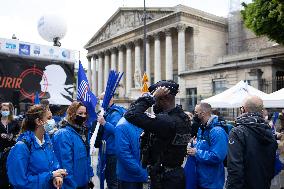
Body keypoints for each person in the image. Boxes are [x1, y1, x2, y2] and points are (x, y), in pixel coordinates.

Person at [124, 80, 192, 189]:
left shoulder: (166, 121)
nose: (154, 103)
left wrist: (152, 97)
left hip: (164, 180)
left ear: (163, 98)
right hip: (175, 175)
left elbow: (131, 114)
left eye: (156, 99)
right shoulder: (183, 118)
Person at [6, 104, 67, 189]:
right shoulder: (21, 147)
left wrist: (57, 176)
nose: (53, 121)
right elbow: (19, 182)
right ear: (38, 121)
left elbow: (54, 164)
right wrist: (50, 175)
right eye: (49, 118)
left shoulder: (47, 143)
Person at [226, 96, 278, 189]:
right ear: (261, 111)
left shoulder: (238, 132)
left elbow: (235, 169)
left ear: (243, 109)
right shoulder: (268, 130)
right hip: (264, 184)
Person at [52, 101, 94, 189]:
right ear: (72, 114)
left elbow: (86, 157)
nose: (83, 116)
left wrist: (89, 177)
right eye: (80, 113)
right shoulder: (63, 134)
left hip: (83, 182)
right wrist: (70, 185)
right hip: (72, 184)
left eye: (85, 113)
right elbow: (65, 163)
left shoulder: (82, 132)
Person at [187, 103, 228, 189]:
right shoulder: (202, 128)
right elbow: (204, 146)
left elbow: (217, 156)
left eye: (196, 113)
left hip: (212, 182)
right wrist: (194, 144)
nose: (194, 116)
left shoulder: (217, 131)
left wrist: (196, 152)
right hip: (200, 178)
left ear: (203, 113)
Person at [96, 93, 126, 189]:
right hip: (106, 149)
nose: (100, 101)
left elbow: (116, 130)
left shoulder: (115, 113)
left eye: (102, 99)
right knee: (107, 177)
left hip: (112, 151)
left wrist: (104, 123)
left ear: (110, 99)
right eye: (100, 99)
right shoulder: (106, 111)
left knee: (112, 180)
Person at [115, 117, 148, 189]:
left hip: (138, 173)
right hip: (129, 176)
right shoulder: (122, 125)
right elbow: (123, 153)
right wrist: (139, 170)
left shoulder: (138, 122)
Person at [0, 102, 20, 188]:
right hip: (0, 150)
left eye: (6, 110)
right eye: (3, 110)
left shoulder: (14, 122)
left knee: (11, 170)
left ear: (9, 111)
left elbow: (18, 135)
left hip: (11, 151)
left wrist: (11, 136)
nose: (5, 111)